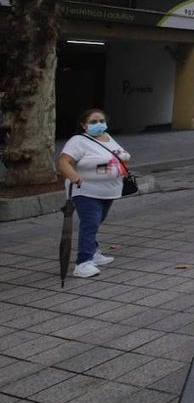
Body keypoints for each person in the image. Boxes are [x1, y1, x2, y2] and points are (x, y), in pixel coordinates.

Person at [57, 109, 131, 279]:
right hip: (86, 191)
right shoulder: (78, 141)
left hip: (109, 190)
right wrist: (75, 177)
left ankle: (93, 251)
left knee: (96, 222)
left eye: (101, 120)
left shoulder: (108, 138)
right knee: (90, 223)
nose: (99, 124)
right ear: (84, 125)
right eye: (93, 122)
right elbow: (63, 162)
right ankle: (83, 263)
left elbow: (118, 158)